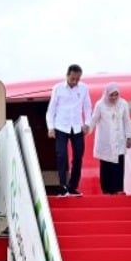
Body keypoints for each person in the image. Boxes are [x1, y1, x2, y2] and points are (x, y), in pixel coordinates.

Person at [46, 64, 92, 197]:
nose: (75, 82)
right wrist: (50, 127)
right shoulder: (58, 88)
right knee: (62, 156)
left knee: (78, 157)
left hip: (77, 127)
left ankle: (72, 187)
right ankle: (63, 187)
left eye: (77, 79)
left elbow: (88, 107)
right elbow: (51, 110)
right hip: (61, 127)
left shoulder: (83, 88)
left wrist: (87, 123)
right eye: (72, 78)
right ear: (67, 76)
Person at [88, 82, 131, 194]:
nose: (114, 97)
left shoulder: (123, 104)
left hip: (119, 139)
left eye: (116, 95)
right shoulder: (100, 104)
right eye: (111, 95)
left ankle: (118, 189)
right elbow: (93, 120)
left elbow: (127, 121)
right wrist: (87, 130)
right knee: (106, 166)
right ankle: (106, 190)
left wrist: (129, 137)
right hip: (105, 140)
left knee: (119, 165)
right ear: (107, 94)